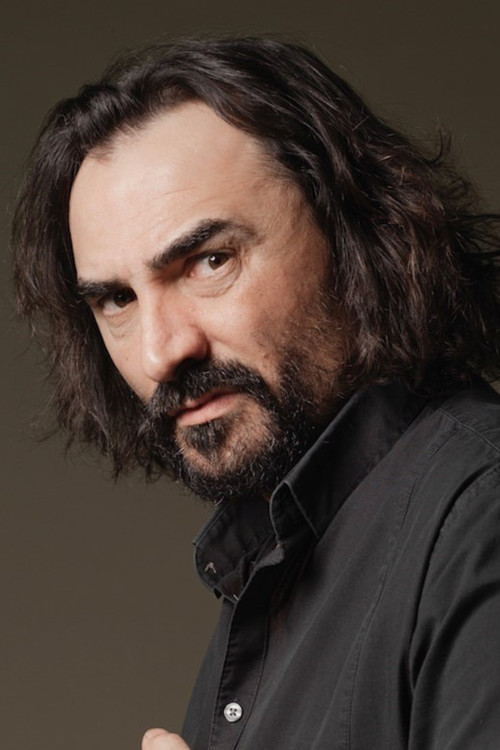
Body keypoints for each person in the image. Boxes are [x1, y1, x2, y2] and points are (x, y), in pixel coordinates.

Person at [11, 36, 500, 750]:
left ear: (356, 232)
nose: (160, 352)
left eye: (210, 261)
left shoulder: (478, 517)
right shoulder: (273, 553)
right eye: (117, 299)